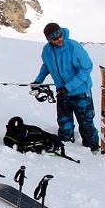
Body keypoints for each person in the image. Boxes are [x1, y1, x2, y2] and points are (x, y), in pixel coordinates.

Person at [33, 23, 100, 152]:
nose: (59, 39)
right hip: (63, 92)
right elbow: (46, 66)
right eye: (54, 38)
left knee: (86, 123)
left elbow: (86, 69)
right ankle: (65, 146)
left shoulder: (74, 47)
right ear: (48, 39)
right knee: (64, 122)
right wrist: (38, 81)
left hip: (80, 92)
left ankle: (93, 149)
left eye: (60, 35)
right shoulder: (47, 50)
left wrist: (68, 87)